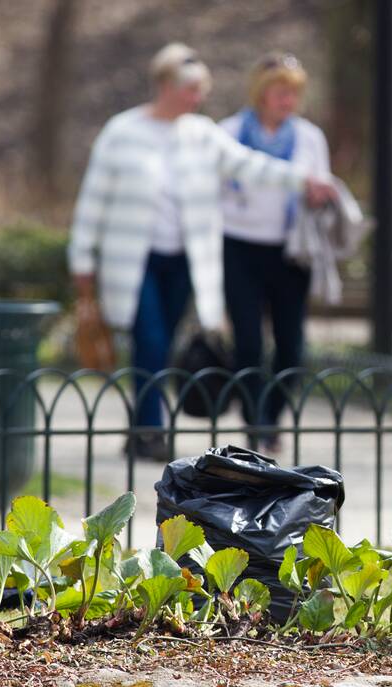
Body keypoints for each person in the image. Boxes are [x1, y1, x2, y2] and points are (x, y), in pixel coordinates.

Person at [68, 42, 333, 462]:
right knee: (150, 339)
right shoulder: (122, 132)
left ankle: (140, 425)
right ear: (166, 87)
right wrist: (82, 260)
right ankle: (152, 431)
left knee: (162, 341)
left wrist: (303, 180)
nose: (198, 98)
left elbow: (250, 164)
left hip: (182, 261)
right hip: (135, 261)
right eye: (192, 89)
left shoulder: (202, 133)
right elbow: (93, 200)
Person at [219, 51, 333, 454]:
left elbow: (320, 189)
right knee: (248, 342)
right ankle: (255, 422)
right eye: (280, 92)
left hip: (290, 252)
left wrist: (320, 195)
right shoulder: (228, 132)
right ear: (261, 93)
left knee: (290, 345)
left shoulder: (309, 137)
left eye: (294, 93)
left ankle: (273, 414)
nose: (287, 101)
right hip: (238, 248)